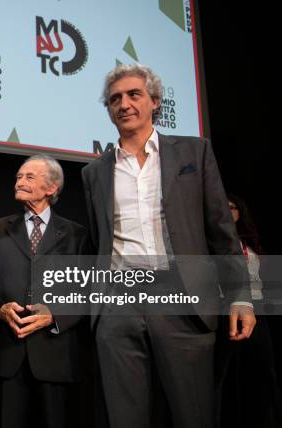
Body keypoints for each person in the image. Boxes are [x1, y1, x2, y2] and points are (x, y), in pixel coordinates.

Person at [81, 63, 256, 428]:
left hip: (182, 298)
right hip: (117, 305)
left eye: (134, 94)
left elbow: (222, 233)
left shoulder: (194, 153)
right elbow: (98, 242)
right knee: (124, 419)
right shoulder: (94, 172)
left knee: (194, 415)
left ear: (155, 102)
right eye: (115, 99)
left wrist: (241, 296)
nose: (124, 104)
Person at [0, 154, 87, 428]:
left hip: (57, 361)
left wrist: (55, 315)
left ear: (51, 188)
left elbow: (88, 295)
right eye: (18, 177)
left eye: (29, 177)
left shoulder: (77, 236)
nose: (19, 181)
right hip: (8, 360)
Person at [214, 194, 282, 427]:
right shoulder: (213, 242)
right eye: (223, 207)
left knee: (264, 373)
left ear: (239, 212)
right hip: (226, 309)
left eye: (231, 207)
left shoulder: (248, 242)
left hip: (256, 308)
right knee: (218, 376)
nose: (227, 211)